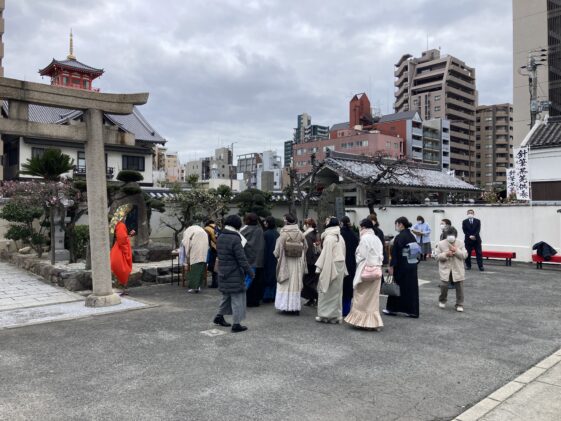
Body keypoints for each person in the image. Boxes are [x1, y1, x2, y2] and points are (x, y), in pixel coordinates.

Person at [213, 214, 254, 333]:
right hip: (234, 273)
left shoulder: (220, 236)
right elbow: (241, 259)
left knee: (226, 296)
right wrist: (250, 272)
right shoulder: (235, 239)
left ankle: (219, 317)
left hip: (223, 272)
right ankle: (236, 324)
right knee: (238, 298)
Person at [344, 219, 384, 330]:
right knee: (373, 299)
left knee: (360, 296)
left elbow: (361, 256)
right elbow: (381, 254)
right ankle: (373, 322)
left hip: (365, 271)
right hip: (376, 271)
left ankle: (360, 321)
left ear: (363, 227)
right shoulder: (377, 239)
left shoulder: (364, 239)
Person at [384, 216, 420, 318]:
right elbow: (417, 251)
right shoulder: (411, 236)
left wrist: (392, 266)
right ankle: (412, 310)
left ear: (400, 224)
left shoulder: (400, 237)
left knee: (397, 286)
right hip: (412, 264)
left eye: (396, 224)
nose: (396, 227)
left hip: (401, 265)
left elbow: (395, 253)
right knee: (411, 288)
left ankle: (392, 309)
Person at [315, 217, 347, 324]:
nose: (325, 222)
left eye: (327, 221)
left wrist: (319, 267)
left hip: (331, 263)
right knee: (337, 291)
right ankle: (336, 315)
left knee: (326, 289)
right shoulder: (340, 236)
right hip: (340, 265)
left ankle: (325, 315)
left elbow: (326, 254)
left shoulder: (330, 237)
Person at [274, 213, 307, 315]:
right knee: (295, 284)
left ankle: (285, 306)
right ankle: (295, 307)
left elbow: (277, 251)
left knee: (285, 282)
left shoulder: (283, 233)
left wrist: (277, 255)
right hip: (297, 261)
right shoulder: (300, 233)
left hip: (286, 261)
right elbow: (305, 246)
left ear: (286, 221)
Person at [436, 227, 468, 312]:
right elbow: (437, 256)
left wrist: (456, 250)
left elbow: (464, 255)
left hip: (457, 268)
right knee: (444, 285)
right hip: (445, 269)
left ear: (455, 235)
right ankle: (442, 300)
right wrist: (446, 254)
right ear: (446, 235)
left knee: (459, 287)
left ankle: (459, 304)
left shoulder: (460, 243)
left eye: (452, 235)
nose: (451, 237)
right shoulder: (441, 243)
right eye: (449, 235)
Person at [110, 204, 135, 296]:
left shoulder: (119, 225)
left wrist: (129, 235)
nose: (125, 216)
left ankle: (122, 288)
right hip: (120, 250)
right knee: (123, 269)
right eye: (125, 215)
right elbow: (122, 240)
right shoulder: (121, 225)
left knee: (122, 269)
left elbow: (123, 237)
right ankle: (121, 289)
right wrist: (126, 251)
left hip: (118, 248)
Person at [241, 213, 265, 307]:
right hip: (259, 260)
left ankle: (244, 300)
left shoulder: (244, 230)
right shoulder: (260, 230)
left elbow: (240, 244)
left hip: (247, 260)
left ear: (247, 220)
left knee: (247, 280)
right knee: (256, 282)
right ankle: (255, 301)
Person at [340, 216, 359, 317]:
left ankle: (340, 308)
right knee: (349, 286)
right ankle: (347, 308)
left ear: (342, 223)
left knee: (341, 285)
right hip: (352, 262)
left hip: (342, 262)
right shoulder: (354, 234)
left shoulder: (340, 234)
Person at [182, 224, 209, 293]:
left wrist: (187, 254)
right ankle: (199, 286)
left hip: (196, 249)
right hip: (204, 247)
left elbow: (186, 242)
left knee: (195, 268)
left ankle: (194, 287)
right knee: (201, 267)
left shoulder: (187, 231)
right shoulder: (200, 229)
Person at [302, 218, 320, 307]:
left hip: (310, 261)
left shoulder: (308, 235)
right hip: (316, 260)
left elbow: (308, 250)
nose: (303, 226)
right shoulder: (315, 233)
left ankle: (316, 297)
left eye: (305, 224)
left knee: (307, 281)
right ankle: (312, 299)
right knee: (312, 281)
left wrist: (307, 262)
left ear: (308, 225)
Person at [262, 216, 280, 303]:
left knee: (266, 276)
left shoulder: (265, 234)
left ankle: (267, 295)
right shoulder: (277, 234)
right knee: (274, 276)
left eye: (266, 222)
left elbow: (263, 248)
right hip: (276, 257)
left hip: (267, 257)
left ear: (268, 223)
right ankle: (273, 295)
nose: (265, 223)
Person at [204, 220, 218, 288]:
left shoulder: (207, 229)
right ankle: (218, 282)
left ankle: (214, 284)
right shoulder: (218, 227)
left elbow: (207, 240)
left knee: (213, 267)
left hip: (213, 250)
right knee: (217, 266)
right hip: (220, 249)